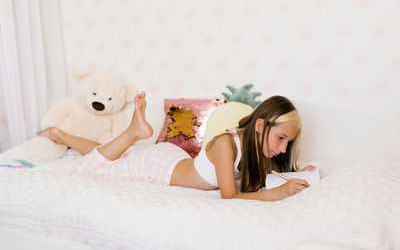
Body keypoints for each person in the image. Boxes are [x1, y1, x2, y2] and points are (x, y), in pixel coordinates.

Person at [38, 92, 315, 201]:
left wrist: (300, 173)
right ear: (260, 126)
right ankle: (133, 131)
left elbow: (272, 172)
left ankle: (59, 135)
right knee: (86, 171)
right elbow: (230, 198)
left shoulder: (255, 148)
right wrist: (277, 194)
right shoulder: (227, 145)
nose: (282, 147)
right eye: (281, 138)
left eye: (288, 142)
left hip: (171, 160)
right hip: (156, 169)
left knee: (116, 157)